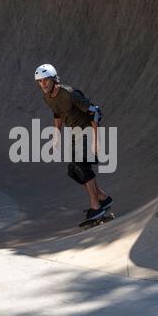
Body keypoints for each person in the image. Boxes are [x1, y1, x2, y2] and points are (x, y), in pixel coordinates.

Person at [35, 63, 112, 221]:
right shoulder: (47, 97)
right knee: (74, 171)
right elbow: (57, 114)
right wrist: (56, 137)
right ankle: (103, 199)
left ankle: (95, 207)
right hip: (75, 134)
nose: (43, 84)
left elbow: (95, 112)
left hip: (89, 131)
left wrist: (96, 141)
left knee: (81, 164)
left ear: (54, 79)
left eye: (46, 80)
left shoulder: (70, 94)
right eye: (39, 81)